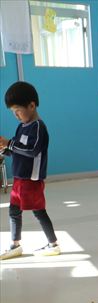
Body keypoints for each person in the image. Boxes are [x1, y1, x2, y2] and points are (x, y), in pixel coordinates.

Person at [0, 81, 60, 260]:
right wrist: (4, 149)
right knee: (14, 211)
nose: (16, 115)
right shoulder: (22, 126)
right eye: (13, 111)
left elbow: (32, 150)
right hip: (19, 179)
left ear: (32, 106)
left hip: (31, 180)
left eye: (18, 110)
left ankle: (53, 245)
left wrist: (10, 143)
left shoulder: (39, 127)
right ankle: (15, 245)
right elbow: (17, 150)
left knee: (39, 211)